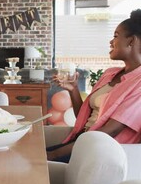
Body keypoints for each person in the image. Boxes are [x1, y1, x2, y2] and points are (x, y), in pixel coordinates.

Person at [47, 9, 141, 163]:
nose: (111, 42)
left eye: (116, 36)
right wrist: (74, 89)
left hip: (98, 153)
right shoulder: (110, 74)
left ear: (131, 41)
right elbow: (84, 118)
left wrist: (54, 155)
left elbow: (109, 131)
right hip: (80, 142)